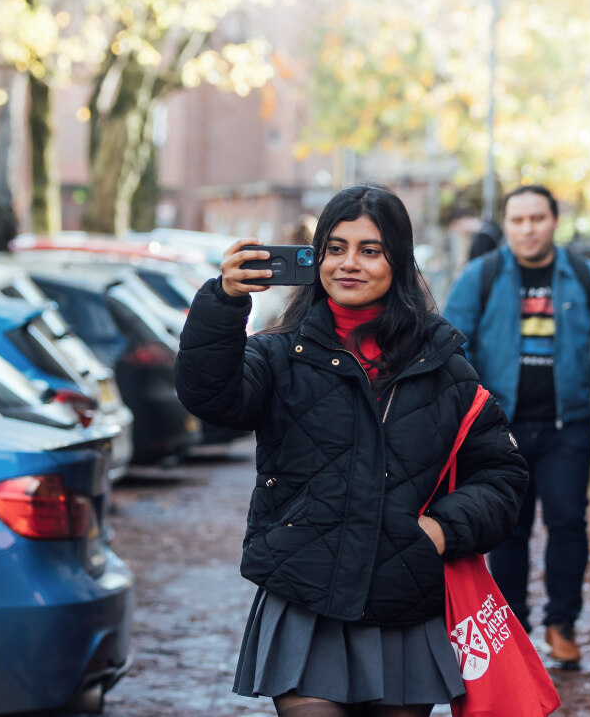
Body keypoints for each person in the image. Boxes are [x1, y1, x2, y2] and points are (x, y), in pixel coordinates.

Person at [175, 184, 530, 717]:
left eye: (370, 250)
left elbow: (502, 475)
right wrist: (222, 304)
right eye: (335, 248)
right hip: (305, 598)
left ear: (399, 261)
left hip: (404, 603)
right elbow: (212, 395)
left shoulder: (442, 364)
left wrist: (440, 530)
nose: (349, 264)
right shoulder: (278, 353)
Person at [443, 184, 590, 669]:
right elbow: (451, 340)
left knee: (567, 524)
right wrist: (473, 400)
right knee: (508, 531)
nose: (528, 229)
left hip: (565, 428)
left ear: (554, 222)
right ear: (507, 225)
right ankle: (513, 633)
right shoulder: (483, 275)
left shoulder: (582, 275)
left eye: (537, 219)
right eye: (518, 220)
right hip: (500, 430)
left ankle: (562, 625)